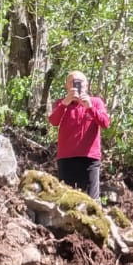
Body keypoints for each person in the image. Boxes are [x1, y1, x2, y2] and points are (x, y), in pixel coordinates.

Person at [48, 71, 110, 201]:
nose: (76, 85)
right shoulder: (61, 103)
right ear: (67, 86)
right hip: (66, 158)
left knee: (92, 200)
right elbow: (53, 121)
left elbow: (105, 123)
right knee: (66, 198)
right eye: (72, 82)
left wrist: (90, 107)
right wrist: (65, 103)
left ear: (86, 85)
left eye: (80, 82)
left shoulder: (96, 102)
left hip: (89, 158)